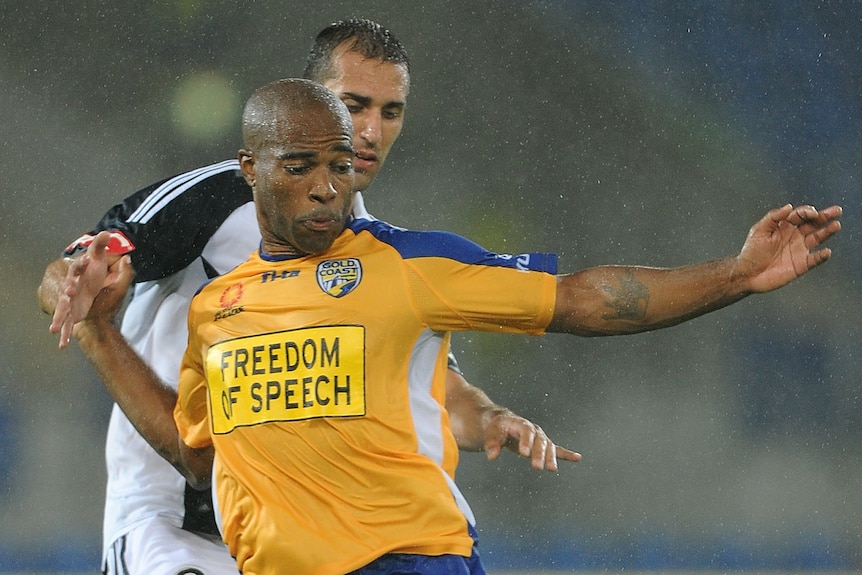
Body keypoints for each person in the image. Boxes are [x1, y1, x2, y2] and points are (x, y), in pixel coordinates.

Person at [52, 78, 841, 575]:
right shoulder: (217, 310)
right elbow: (194, 456)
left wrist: (736, 274)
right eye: (300, 166)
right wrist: (98, 333)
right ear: (248, 170)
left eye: (339, 164)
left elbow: (581, 300)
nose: (327, 187)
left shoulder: (402, 264)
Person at [37, 18, 578, 575]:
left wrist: (488, 418)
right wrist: (75, 295)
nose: (369, 130)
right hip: (173, 522)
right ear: (312, 105)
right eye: (354, 104)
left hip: (292, 535)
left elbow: (426, 381)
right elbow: (80, 266)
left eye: (389, 112)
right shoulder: (220, 197)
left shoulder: (376, 252)